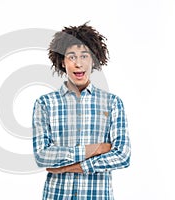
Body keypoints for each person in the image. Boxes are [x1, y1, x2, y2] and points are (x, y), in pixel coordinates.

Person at [32, 22, 131, 200]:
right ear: (62, 61)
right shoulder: (45, 104)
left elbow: (122, 156)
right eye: (71, 56)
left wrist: (69, 167)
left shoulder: (112, 103)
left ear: (93, 59)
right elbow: (42, 156)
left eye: (84, 56)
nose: (79, 63)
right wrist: (97, 148)